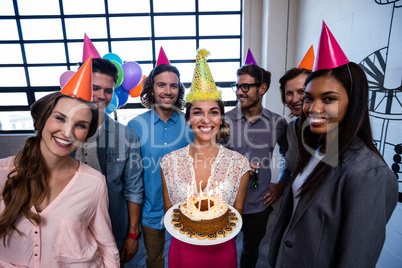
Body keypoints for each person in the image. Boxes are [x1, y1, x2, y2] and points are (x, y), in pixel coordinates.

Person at [268, 21, 399, 266]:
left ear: (354, 102)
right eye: (310, 98)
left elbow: (356, 259)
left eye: (329, 99)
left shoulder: (368, 173)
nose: (313, 108)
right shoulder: (316, 149)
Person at [0, 92, 120, 267]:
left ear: (86, 136)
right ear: (42, 119)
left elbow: (107, 248)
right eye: (60, 118)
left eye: (80, 125)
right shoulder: (3, 173)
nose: (67, 132)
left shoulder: (94, 183)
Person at [160, 49, 250, 268]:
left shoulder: (239, 164)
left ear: (221, 118)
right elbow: (170, 212)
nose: (206, 119)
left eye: (214, 112)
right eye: (198, 112)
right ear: (189, 119)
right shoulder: (168, 162)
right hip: (183, 249)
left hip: (222, 251)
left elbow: (236, 214)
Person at [74, 58, 144, 266]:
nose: (101, 96)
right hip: (69, 228)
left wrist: (132, 235)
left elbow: (134, 189)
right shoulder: (59, 132)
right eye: (95, 88)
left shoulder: (127, 136)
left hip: (113, 228)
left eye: (108, 90)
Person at [220, 63, 289, 268]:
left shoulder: (278, 123)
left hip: (259, 203)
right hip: (226, 202)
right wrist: (236, 164)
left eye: (245, 87)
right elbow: (211, 157)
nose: (239, 92)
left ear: (262, 88)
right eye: (237, 86)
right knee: (224, 251)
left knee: (250, 251)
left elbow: (288, 156)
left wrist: (282, 183)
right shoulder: (223, 121)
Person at [128, 62, 193, 267]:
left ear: (179, 90)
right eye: (161, 85)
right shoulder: (136, 125)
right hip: (150, 210)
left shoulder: (190, 124)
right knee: (154, 259)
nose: (167, 91)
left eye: (173, 86)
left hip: (185, 210)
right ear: (151, 89)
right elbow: (132, 176)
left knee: (185, 258)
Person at [279, 68, 311, 174]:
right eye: (289, 93)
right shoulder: (290, 128)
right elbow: (287, 163)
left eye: (301, 91)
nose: (294, 99)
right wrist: (281, 183)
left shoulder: (325, 128)